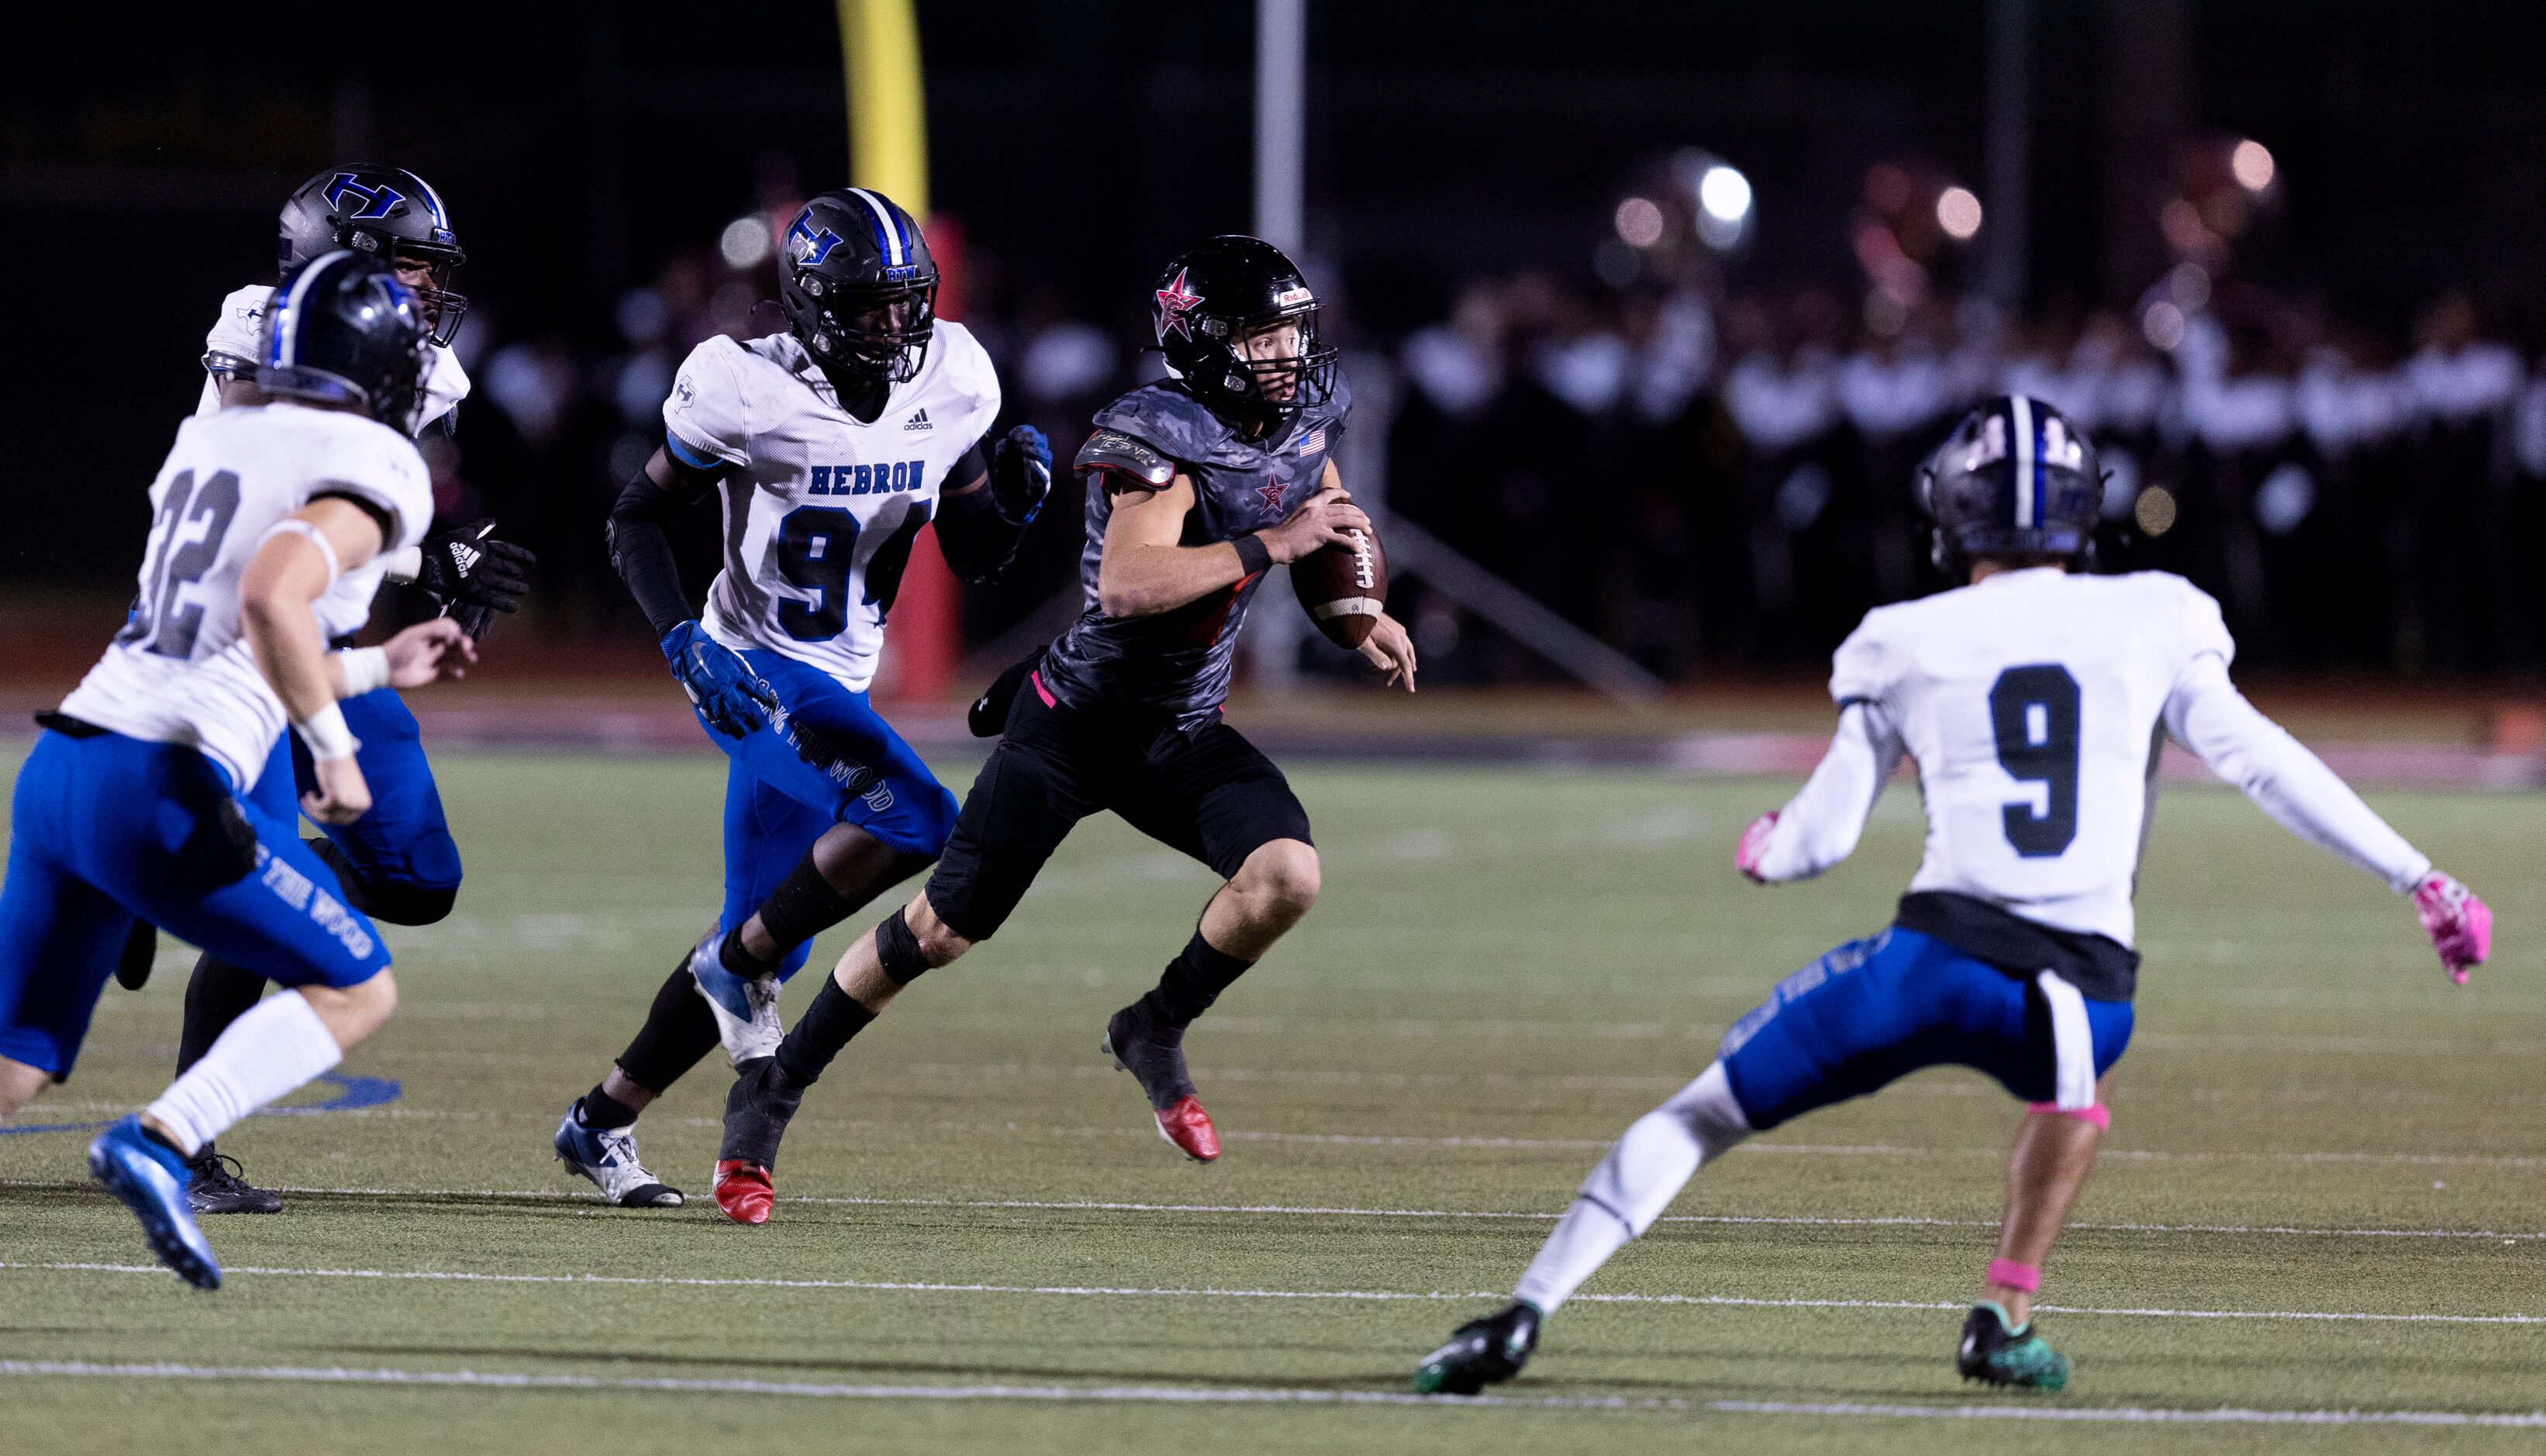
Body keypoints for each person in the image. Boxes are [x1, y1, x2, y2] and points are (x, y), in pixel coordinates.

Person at [1413, 395, 2494, 1396]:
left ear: (1952, 511)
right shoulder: (2158, 612)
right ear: (2083, 511)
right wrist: (2420, 874)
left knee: (1700, 1115)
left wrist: (1766, 845)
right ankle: (2004, 1308)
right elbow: (2264, 761)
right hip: (2086, 998)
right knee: (2070, 1095)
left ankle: (1522, 1312)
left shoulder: (1902, 634)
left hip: (1933, 965)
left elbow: (1818, 841)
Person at [706, 235, 1419, 1224]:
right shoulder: (1158, 434)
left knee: (1286, 877)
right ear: (1204, 342)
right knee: (938, 933)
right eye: (1260, 337)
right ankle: (769, 1095)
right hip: (1073, 725)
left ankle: (1153, 1026)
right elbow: (1131, 586)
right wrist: (1272, 543)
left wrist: (1356, 610)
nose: (1284, 355)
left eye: (1290, 332)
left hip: (1177, 728)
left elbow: (1314, 499)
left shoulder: (1296, 415)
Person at [550, 187, 1048, 1211]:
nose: (896, 326)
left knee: (764, 929)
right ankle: (736, 971)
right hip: (752, 669)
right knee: (916, 820)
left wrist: (1017, 509)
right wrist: (682, 639)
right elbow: (636, 516)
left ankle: (598, 1120)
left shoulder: (954, 377)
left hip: (840, 679)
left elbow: (972, 550)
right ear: (815, 305)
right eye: (870, 306)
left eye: (909, 303)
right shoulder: (744, 385)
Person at [0, 252, 476, 1286]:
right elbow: (271, 598)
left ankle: (155, 1127)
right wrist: (339, 756)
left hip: (64, 764)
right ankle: (160, 1136)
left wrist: (377, 665)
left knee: (17, 1065)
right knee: (355, 985)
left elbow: (231, 621)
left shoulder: (210, 433)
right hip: (160, 783)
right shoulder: (377, 457)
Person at [157, 164, 535, 1216]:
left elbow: (365, 517)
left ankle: (210, 872)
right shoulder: (257, 332)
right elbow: (266, 511)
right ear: (349, 259)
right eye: (412, 264)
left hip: (327, 642)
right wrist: (428, 563)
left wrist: (433, 554)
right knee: (271, 907)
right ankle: (186, 1138)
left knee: (419, 879)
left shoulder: (430, 373)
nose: (429, 290)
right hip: (241, 648)